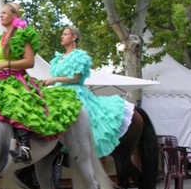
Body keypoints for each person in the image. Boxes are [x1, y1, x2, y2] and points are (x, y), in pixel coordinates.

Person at [0, 2, 82, 163]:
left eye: (4, 13)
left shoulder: (24, 36)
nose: (1, 15)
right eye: (1, 13)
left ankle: (25, 147)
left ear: (15, 16)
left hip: (15, 79)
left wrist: (4, 65)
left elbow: (29, 62)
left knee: (15, 102)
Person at [43, 26, 133, 158]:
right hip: (56, 90)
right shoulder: (59, 58)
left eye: (65, 34)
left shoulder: (79, 56)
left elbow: (76, 78)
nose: (62, 36)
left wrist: (54, 79)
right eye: (62, 34)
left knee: (80, 119)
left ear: (74, 37)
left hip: (74, 91)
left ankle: (79, 145)